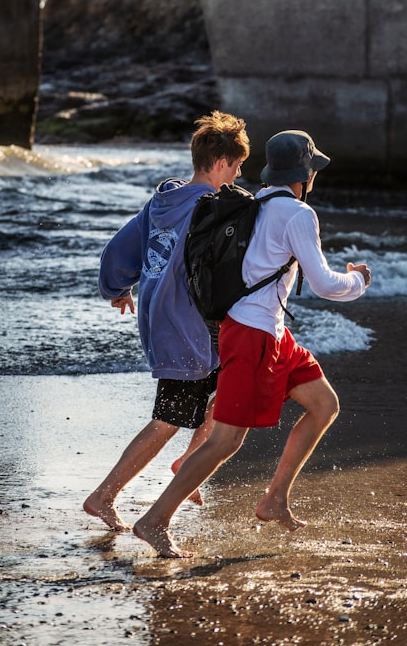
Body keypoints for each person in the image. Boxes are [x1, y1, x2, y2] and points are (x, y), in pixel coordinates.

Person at [131, 129, 371, 557]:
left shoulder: (253, 201)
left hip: (270, 331)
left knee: (324, 405)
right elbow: (324, 284)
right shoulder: (298, 214)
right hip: (253, 335)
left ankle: (274, 500)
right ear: (305, 173)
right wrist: (359, 279)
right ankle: (155, 520)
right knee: (226, 441)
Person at [83, 110, 250, 531]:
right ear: (218, 164)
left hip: (173, 318)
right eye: (236, 166)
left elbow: (119, 251)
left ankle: (188, 463)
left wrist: (116, 289)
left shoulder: (162, 201)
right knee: (170, 418)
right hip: (183, 326)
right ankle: (103, 496)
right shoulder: (213, 209)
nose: (237, 175)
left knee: (228, 389)